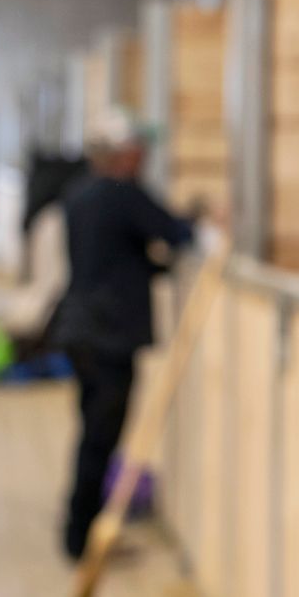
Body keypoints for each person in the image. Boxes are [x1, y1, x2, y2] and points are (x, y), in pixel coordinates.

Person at [49, 110, 195, 560]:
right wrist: (202, 219)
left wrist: (154, 265)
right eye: (137, 150)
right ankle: (84, 540)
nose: (143, 158)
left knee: (91, 435)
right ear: (120, 154)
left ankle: (82, 531)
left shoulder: (79, 195)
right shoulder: (122, 195)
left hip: (80, 329)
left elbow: (114, 255)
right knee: (101, 438)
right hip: (109, 335)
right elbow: (174, 231)